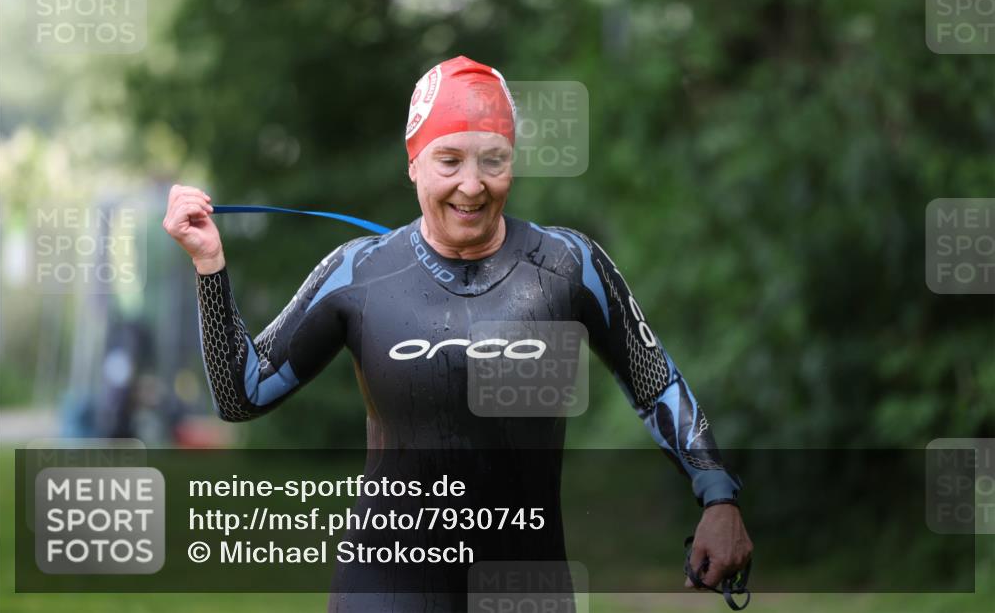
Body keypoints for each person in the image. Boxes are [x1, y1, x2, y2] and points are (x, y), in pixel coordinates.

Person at [163, 55, 753, 610]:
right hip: (387, 582)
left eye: (493, 160)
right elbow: (241, 394)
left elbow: (656, 385)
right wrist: (210, 266)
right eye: (449, 161)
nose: (472, 185)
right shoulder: (358, 273)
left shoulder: (569, 266)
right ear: (413, 163)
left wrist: (718, 494)